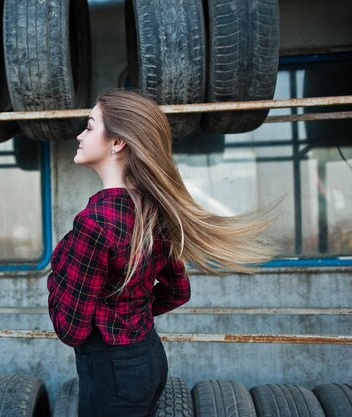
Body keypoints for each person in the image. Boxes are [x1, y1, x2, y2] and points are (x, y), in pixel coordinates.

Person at [47, 89, 276, 417]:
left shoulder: (95, 222)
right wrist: (127, 317)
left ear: (117, 143)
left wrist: (56, 282)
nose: (80, 135)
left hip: (112, 373)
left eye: (90, 125)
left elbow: (70, 330)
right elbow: (177, 291)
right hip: (149, 359)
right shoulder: (155, 208)